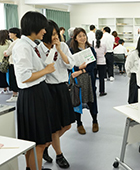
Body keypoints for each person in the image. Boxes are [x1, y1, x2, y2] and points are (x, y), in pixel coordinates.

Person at [13, 11, 55, 170]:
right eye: (43, 28)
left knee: (36, 141)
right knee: (38, 142)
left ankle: (33, 167)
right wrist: (46, 71)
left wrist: (45, 66)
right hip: (32, 95)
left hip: (37, 93)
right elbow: (24, 77)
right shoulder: (23, 47)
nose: (45, 31)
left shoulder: (31, 45)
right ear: (34, 27)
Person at [38, 20, 75, 168]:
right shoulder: (39, 49)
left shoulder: (63, 46)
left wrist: (59, 49)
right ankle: (59, 155)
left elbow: (70, 64)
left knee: (66, 125)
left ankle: (46, 145)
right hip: (48, 89)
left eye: (57, 34)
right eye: (53, 34)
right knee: (54, 126)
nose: (56, 37)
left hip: (62, 87)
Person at [70, 27, 98, 135]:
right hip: (77, 80)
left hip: (89, 78)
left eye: (84, 35)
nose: (82, 38)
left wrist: (81, 70)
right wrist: (77, 69)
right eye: (79, 36)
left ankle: (95, 120)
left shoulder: (90, 49)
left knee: (92, 100)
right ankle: (79, 123)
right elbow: (70, 66)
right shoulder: (72, 50)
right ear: (75, 38)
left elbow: (93, 65)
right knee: (78, 100)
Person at [3, 28, 20, 102]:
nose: (9, 34)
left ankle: (14, 95)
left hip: (13, 63)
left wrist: (5, 52)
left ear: (15, 34)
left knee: (13, 79)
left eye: (10, 33)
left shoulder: (15, 42)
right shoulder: (18, 41)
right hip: (16, 63)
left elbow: (7, 53)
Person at [94, 29, 107, 96]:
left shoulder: (92, 43)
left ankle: (93, 90)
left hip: (94, 63)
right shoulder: (104, 44)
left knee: (93, 78)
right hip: (102, 62)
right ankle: (102, 91)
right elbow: (105, 52)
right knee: (101, 78)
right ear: (102, 36)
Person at [0, 29, 11, 94]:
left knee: (1, 76)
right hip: (7, 61)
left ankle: (5, 89)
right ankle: (9, 87)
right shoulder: (9, 42)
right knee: (8, 75)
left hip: (0, 61)